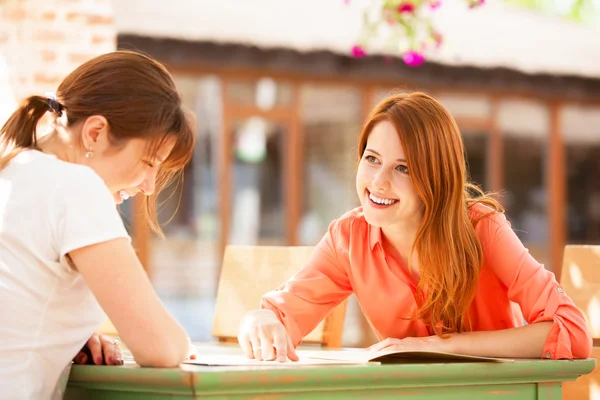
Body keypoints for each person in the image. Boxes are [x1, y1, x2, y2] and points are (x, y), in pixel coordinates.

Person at [238, 91, 592, 363]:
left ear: (435, 178)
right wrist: (260, 322)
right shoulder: (349, 238)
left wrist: (436, 346)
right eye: (372, 159)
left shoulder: (482, 228)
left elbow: (571, 332)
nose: (378, 182)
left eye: (403, 168)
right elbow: (279, 316)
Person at [0, 50, 197, 398]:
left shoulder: (13, 168)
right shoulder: (74, 186)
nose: (149, 185)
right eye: (149, 162)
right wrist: (177, 342)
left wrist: (66, 336)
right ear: (95, 133)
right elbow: (161, 347)